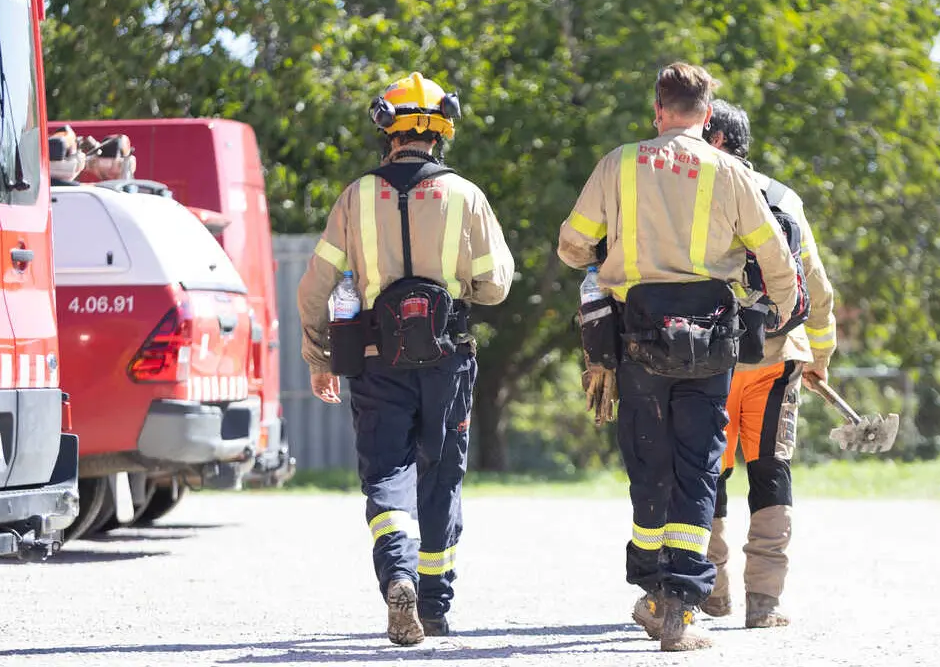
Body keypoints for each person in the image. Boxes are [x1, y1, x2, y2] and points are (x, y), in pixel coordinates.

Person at [557, 62, 800, 652]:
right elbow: (776, 258)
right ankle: (681, 609)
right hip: (712, 342)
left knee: (650, 461)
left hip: (639, 339)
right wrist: (780, 313)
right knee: (699, 466)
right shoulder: (729, 171)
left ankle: (650, 586)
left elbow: (571, 245)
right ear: (707, 114)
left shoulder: (619, 163)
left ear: (658, 110)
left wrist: (602, 257)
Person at [296, 72, 514, 646]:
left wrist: (319, 356)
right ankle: (435, 607)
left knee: (387, 474)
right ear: (442, 128)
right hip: (447, 360)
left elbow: (314, 287)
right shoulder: (466, 194)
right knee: (441, 476)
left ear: (385, 127)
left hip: (372, 361)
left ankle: (398, 575)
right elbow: (496, 285)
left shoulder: (354, 197)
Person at [698, 99, 837, 627]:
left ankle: (712, 591)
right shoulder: (783, 198)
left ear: (712, 140)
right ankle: (764, 602)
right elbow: (817, 288)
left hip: (711, 358)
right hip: (778, 359)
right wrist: (819, 355)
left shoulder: (699, 195)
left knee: (707, 470)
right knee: (770, 472)